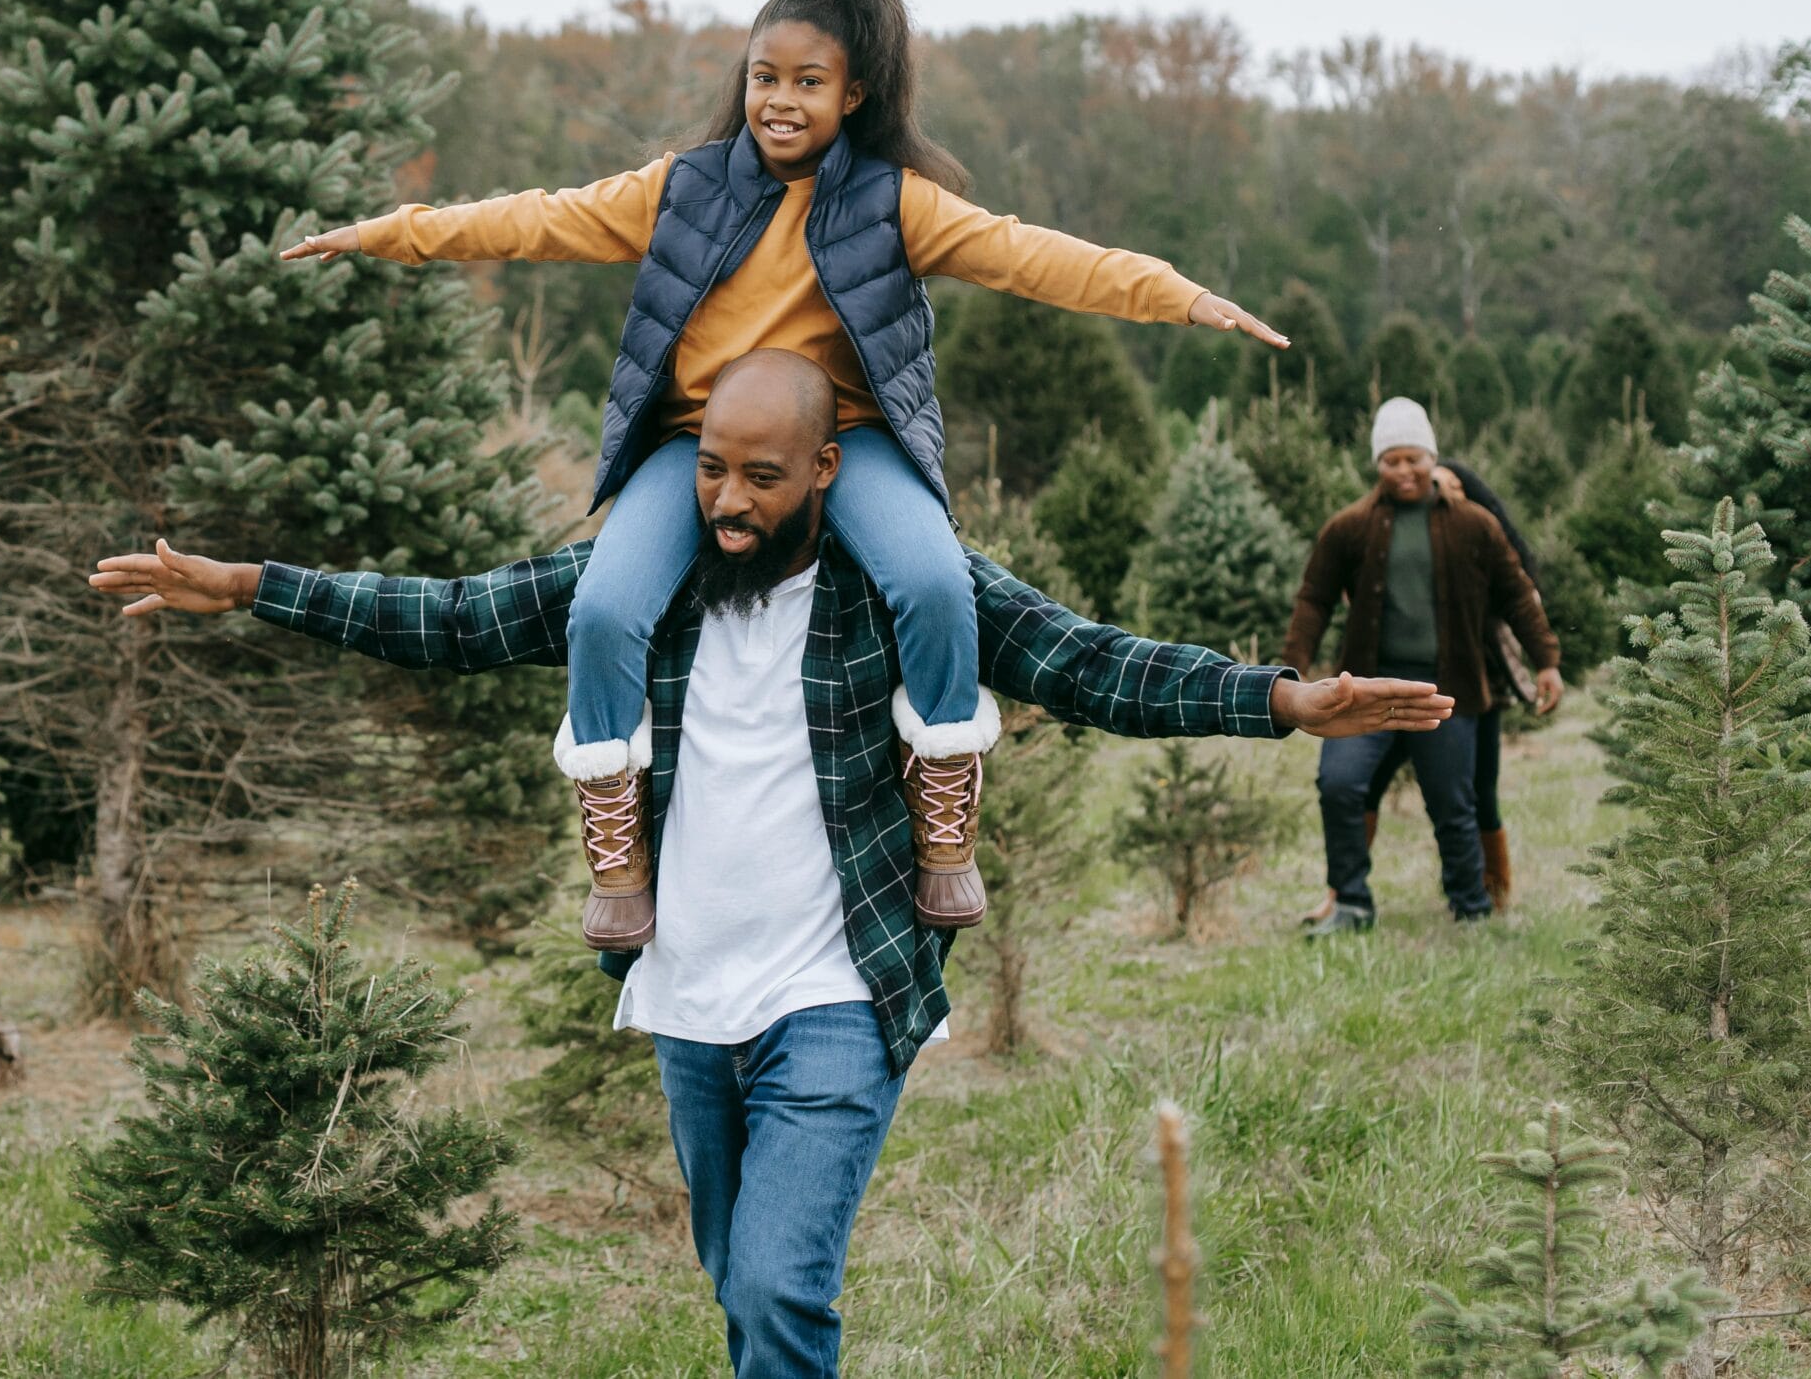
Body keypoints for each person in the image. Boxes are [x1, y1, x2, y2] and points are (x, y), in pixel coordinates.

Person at [91, 349, 1452, 1379]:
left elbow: (1089, 658)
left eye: (760, 474)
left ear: (825, 471)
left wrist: (1279, 698)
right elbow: (449, 615)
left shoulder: (904, 591)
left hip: (839, 987)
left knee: (784, 1281)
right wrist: (254, 584)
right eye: (709, 471)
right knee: (739, 1289)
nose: (729, 500)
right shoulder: (646, 588)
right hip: (688, 993)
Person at [281, 0, 1285, 951]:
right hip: (695, 445)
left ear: (851, 96)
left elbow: (1032, 256)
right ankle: (617, 850)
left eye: (809, 81)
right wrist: (384, 232)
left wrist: (1176, 294)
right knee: (601, 612)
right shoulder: (682, 188)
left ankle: (944, 807)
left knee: (936, 585)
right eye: (765, 76)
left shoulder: (896, 206)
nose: (781, 99)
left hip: (851, 438)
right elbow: (532, 219)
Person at [1283, 399, 1562, 934]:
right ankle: (1351, 903)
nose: (1403, 471)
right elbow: (1313, 598)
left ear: (1431, 458)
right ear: (1377, 464)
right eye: (1391, 460)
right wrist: (1293, 668)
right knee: (1339, 784)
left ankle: (1470, 907)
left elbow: (1517, 596)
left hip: (1444, 693)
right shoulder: (1349, 527)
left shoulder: (1474, 525)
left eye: (1413, 458)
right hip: (1363, 693)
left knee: (1453, 803)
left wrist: (1546, 660)